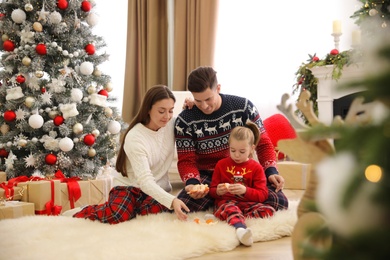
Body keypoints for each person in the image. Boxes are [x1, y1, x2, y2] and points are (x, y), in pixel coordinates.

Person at [68, 85, 190, 224]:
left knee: (155, 214)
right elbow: (145, 181)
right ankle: (84, 210)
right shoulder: (135, 136)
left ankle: (132, 209)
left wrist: (190, 105)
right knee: (118, 215)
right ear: (148, 109)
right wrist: (172, 200)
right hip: (129, 187)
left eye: (171, 111)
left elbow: (187, 118)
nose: (167, 116)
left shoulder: (172, 124)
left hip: (156, 187)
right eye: (161, 111)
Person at [174, 66, 288, 213]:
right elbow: (186, 160)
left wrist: (271, 171)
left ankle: (226, 204)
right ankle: (233, 203)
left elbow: (263, 143)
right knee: (184, 204)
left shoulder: (244, 108)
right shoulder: (185, 120)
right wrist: (193, 183)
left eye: (208, 99)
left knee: (280, 201)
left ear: (218, 88)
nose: (204, 106)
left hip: (245, 171)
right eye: (198, 100)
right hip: (208, 177)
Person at [209, 121, 275, 246]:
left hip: (247, 204)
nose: (236, 155)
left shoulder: (256, 168)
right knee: (229, 208)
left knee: (268, 210)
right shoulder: (221, 165)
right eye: (232, 150)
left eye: (242, 151)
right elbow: (212, 190)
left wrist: (245, 190)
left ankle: (229, 217)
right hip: (226, 202)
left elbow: (262, 195)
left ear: (252, 149)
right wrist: (218, 191)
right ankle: (240, 230)